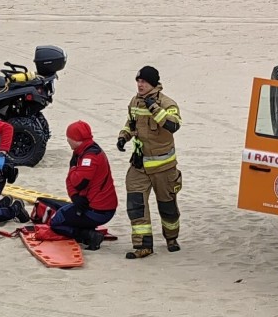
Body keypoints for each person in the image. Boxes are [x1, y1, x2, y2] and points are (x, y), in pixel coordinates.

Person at [117, 66, 182, 259]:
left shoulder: (168, 103)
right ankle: (143, 246)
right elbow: (131, 122)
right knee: (136, 205)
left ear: (153, 83)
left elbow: (173, 125)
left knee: (168, 207)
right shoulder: (134, 101)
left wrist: (154, 107)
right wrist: (123, 136)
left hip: (164, 168)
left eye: (143, 81)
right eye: (138, 81)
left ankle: (171, 238)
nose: (140, 84)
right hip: (139, 166)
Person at [49, 121, 118, 250]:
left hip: (97, 210)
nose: (67, 140)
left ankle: (88, 235)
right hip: (100, 206)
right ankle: (87, 230)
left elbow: (78, 183)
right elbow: (71, 181)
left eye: (68, 137)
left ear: (75, 139)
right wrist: (74, 195)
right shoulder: (86, 150)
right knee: (62, 209)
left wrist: (72, 168)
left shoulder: (89, 157)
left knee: (56, 221)